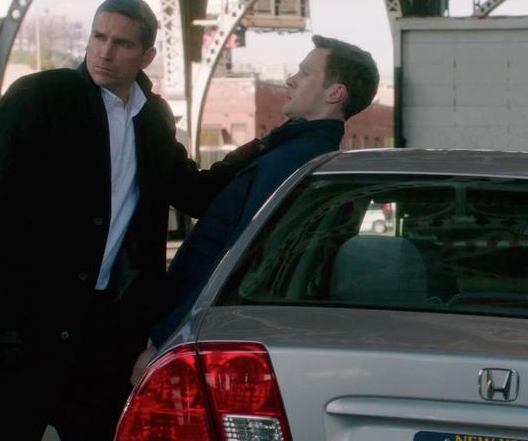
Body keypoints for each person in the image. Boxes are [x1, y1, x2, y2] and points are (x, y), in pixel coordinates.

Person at [0, 0, 263, 440]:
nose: (104, 52)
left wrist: (260, 150)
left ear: (147, 56)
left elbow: (194, 192)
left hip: (100, 325)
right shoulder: (40, 98)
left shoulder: (151, 118)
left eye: (122, 44)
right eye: (99, 37)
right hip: (26, 315)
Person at [131, 35, 379, 381]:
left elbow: (239, 260)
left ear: (335, 93)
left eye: (305, 73)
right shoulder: (299, 154)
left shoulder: (293, 163)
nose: (291, 80)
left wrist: (166, 339)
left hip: (188, 335)